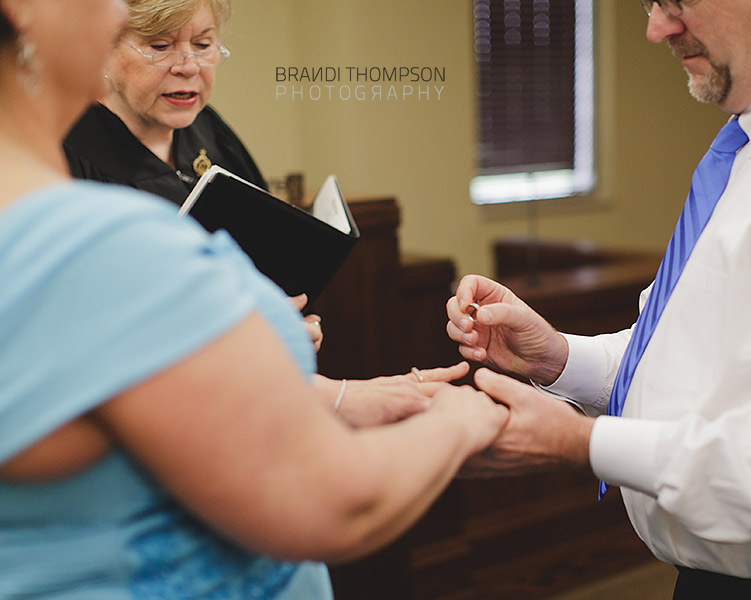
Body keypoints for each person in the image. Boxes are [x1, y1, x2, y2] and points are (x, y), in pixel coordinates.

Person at [0, 1, 509, 598]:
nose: (115, 10)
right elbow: (334, 501)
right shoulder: (106, 240)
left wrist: (340, 400)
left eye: (203, 44)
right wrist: (463, 421)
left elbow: (142, 395)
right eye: (156, 43)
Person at [447, 0, 751, 597]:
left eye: (677, 2)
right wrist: (558, 359)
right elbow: (703, 368)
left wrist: (581, 443)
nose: (655, 28)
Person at [62, 0, 460, 427]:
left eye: (203, 44)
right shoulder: (68, 152)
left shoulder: (209, 130)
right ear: (104, 44)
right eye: (159, 46)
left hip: (257, 401)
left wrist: (290, 319)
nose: (188, 66)